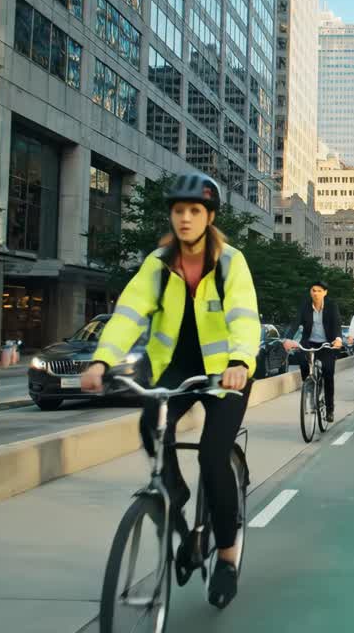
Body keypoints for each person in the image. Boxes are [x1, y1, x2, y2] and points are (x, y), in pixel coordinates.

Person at [80, 173, 259, 610]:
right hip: (175, 368)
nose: (185, 218)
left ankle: (228, 559)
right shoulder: (159, 263)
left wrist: (239, 362)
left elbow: (244, 317)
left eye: (194, 211)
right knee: (149, 424)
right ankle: (173, 493)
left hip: (225, 372)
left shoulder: (230, 262)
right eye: (178, 211)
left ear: (209, 217)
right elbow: (128, 313)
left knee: (212, 456)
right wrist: (103, 358)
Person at [283, 281, 344, 422]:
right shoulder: (305, 306)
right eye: (313, 290)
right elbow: (295, 323)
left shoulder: (331, 306)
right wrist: (287, 339)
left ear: (325, 292)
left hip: (327, 344)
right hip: (309, 342)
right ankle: (309, 385)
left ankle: (329, 409)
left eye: (319, 291)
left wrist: (338, 339)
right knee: (302, 361)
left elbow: (337, 324)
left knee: (328, 373)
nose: (316, 293)